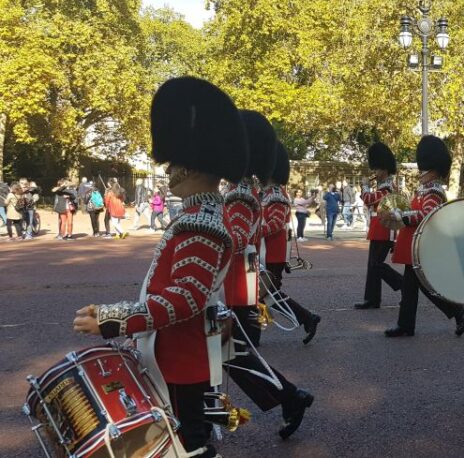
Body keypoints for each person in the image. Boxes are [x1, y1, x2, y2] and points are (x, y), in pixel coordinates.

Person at [71, 76, 248, 458]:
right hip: (176, 353)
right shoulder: (201, 215)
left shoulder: (201, 223)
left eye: (173, 163)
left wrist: (112, 318)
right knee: (183, 442)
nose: (168, 171)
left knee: (188, 446)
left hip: (180, 359)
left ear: (191, 165)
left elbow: (184, 299)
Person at [222, 109, 314, 441]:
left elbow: (243, 237)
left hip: (238, 282)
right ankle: (290, 398)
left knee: (235, 356)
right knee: (230, 356)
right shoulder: (241, 190)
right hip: (234, 280)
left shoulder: (243, 194)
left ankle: (291, 397)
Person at [381, 135, 464, 337]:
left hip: (423, 245)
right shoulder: (424, 189)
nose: (421, 173)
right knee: (410, 287)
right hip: (413, 244)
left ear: (433, 170)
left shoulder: (434, 191)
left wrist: (403, 216)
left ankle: (457, 311)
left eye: (425, 169)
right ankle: (406, 325)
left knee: (423, 287)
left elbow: (428, 216)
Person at [261, 142, 321, 345]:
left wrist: (253, 233)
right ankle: (306, 318)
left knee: (268, 294)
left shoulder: (276, 195)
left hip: (273, 253)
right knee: (266, 294)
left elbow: (276, 224)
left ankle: (308, 317)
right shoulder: (270, 193)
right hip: (268, 252)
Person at [355, 142, 403, 310]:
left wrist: (366, 185)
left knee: (377, 264)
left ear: (384, 169)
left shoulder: (388, 187)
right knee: (372, 265)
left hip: (385, 228)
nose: (374, 172)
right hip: (378, 227)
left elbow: (369, 199)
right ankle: (372, 299)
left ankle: (403, 284)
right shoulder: (383, 186)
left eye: (376, 169)